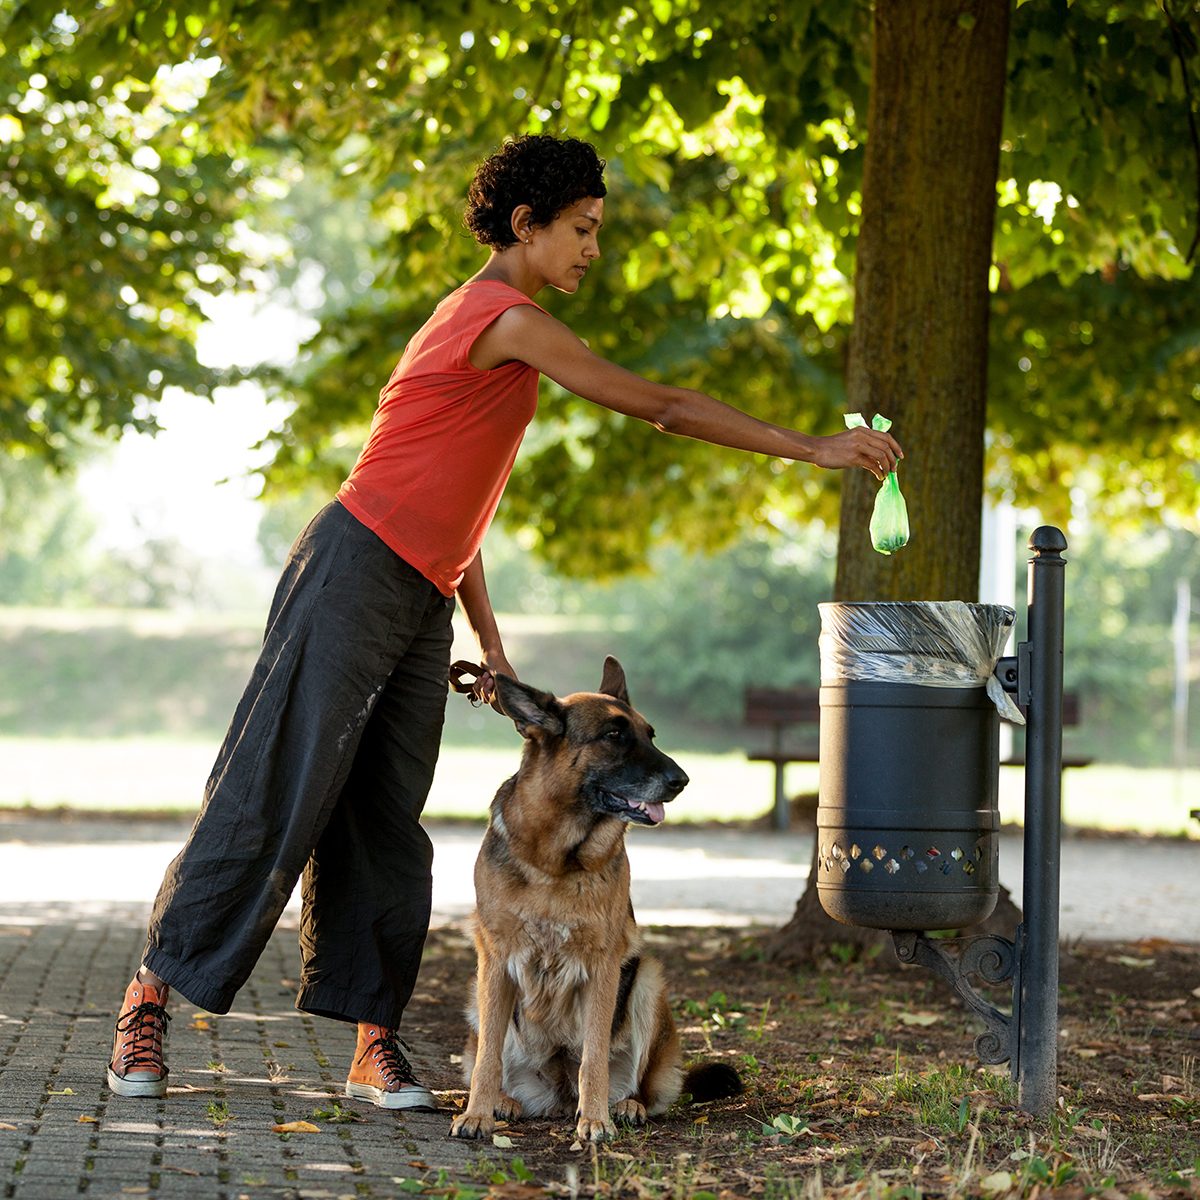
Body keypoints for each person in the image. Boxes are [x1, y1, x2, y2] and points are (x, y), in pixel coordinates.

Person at [107, 133, 902, 1110]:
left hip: (420, 592)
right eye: (582, 229)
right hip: (351, 568)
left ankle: (372, 1041)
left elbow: (463, 507)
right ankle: (146, 1001)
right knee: (274, 786)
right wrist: (815, 448)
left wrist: (486, 640)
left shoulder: (509, 337)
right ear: (525, 225)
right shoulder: (502, 318)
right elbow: (660, 405)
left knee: (387, 817)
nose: (593, 248)